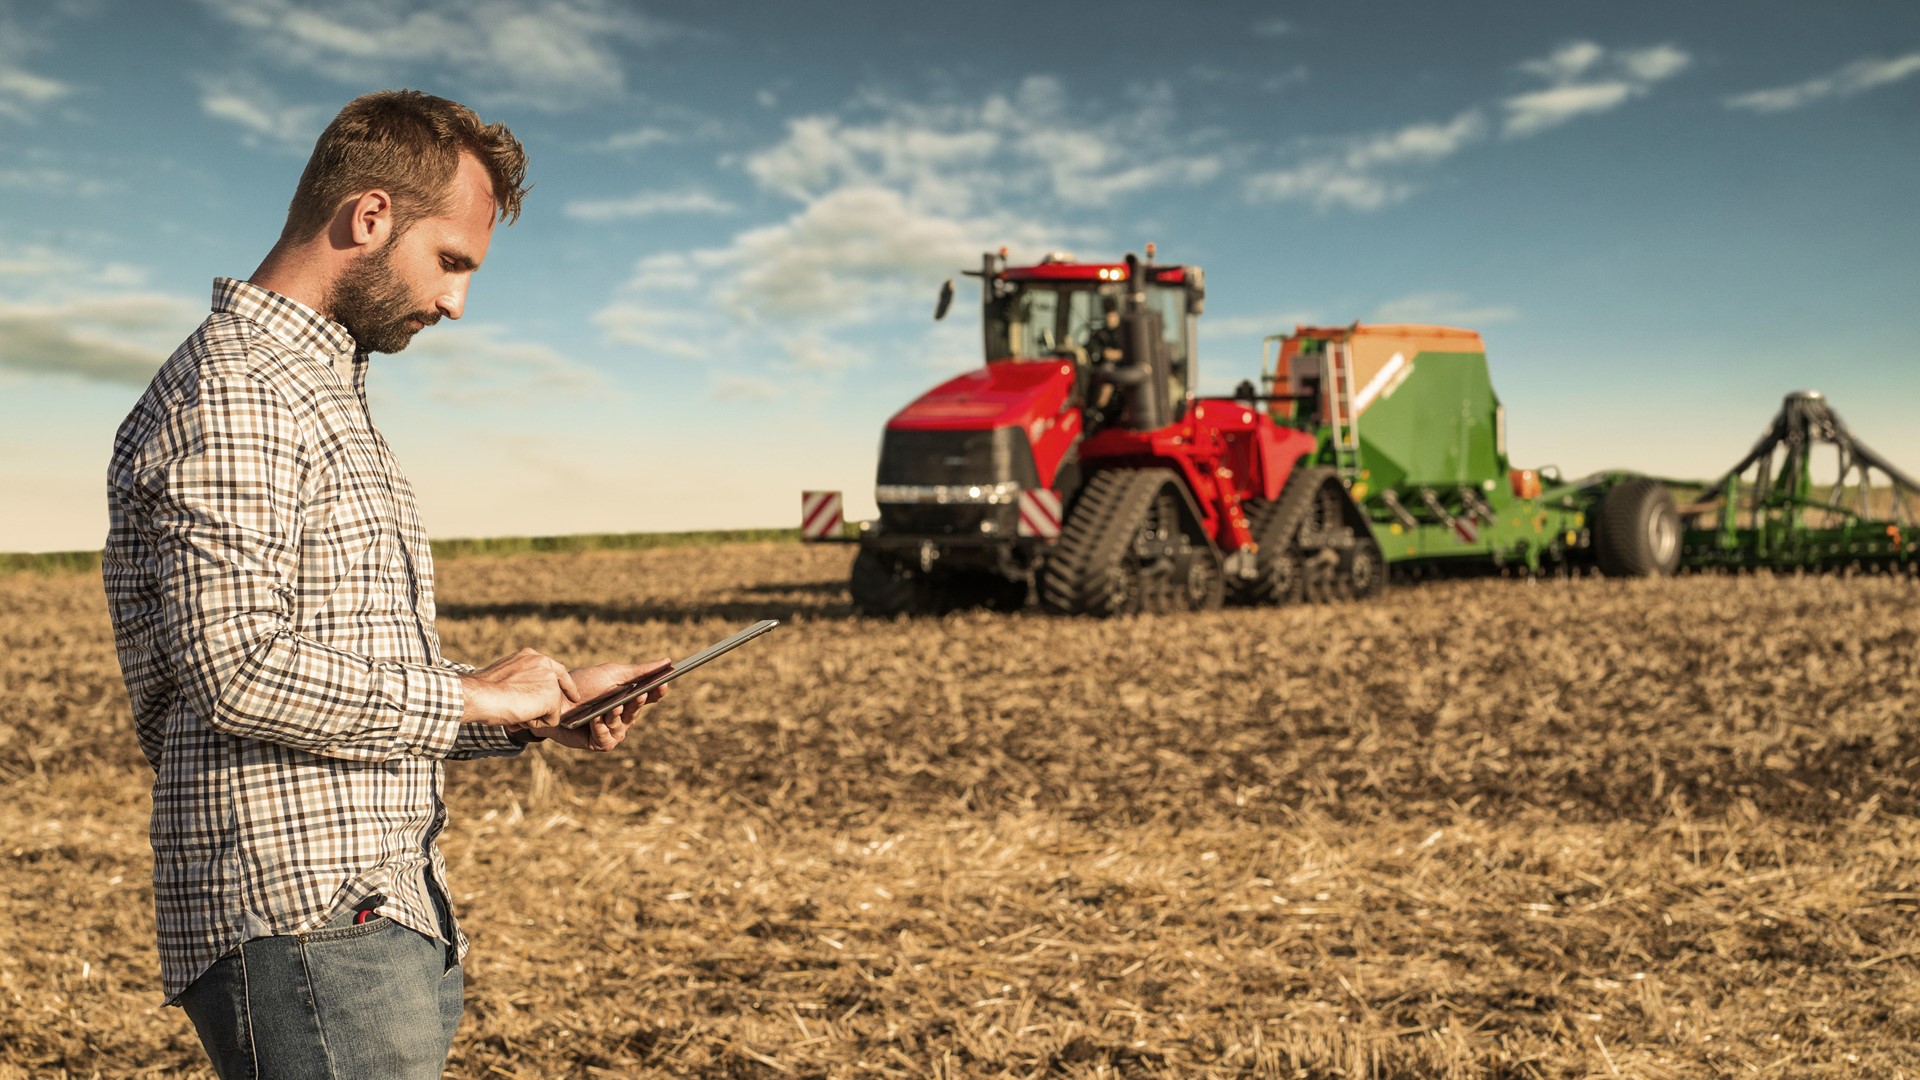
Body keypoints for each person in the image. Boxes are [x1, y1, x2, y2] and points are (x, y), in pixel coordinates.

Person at [102, 89, 666, 1079]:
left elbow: (337, 661)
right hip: (306, 919)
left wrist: (532, 708)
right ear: (370, 218)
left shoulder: (311, 392)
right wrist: (476, 693)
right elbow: (236, 669)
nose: (456, 303)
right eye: (451, 262)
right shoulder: (241, 390)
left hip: (369, 907)